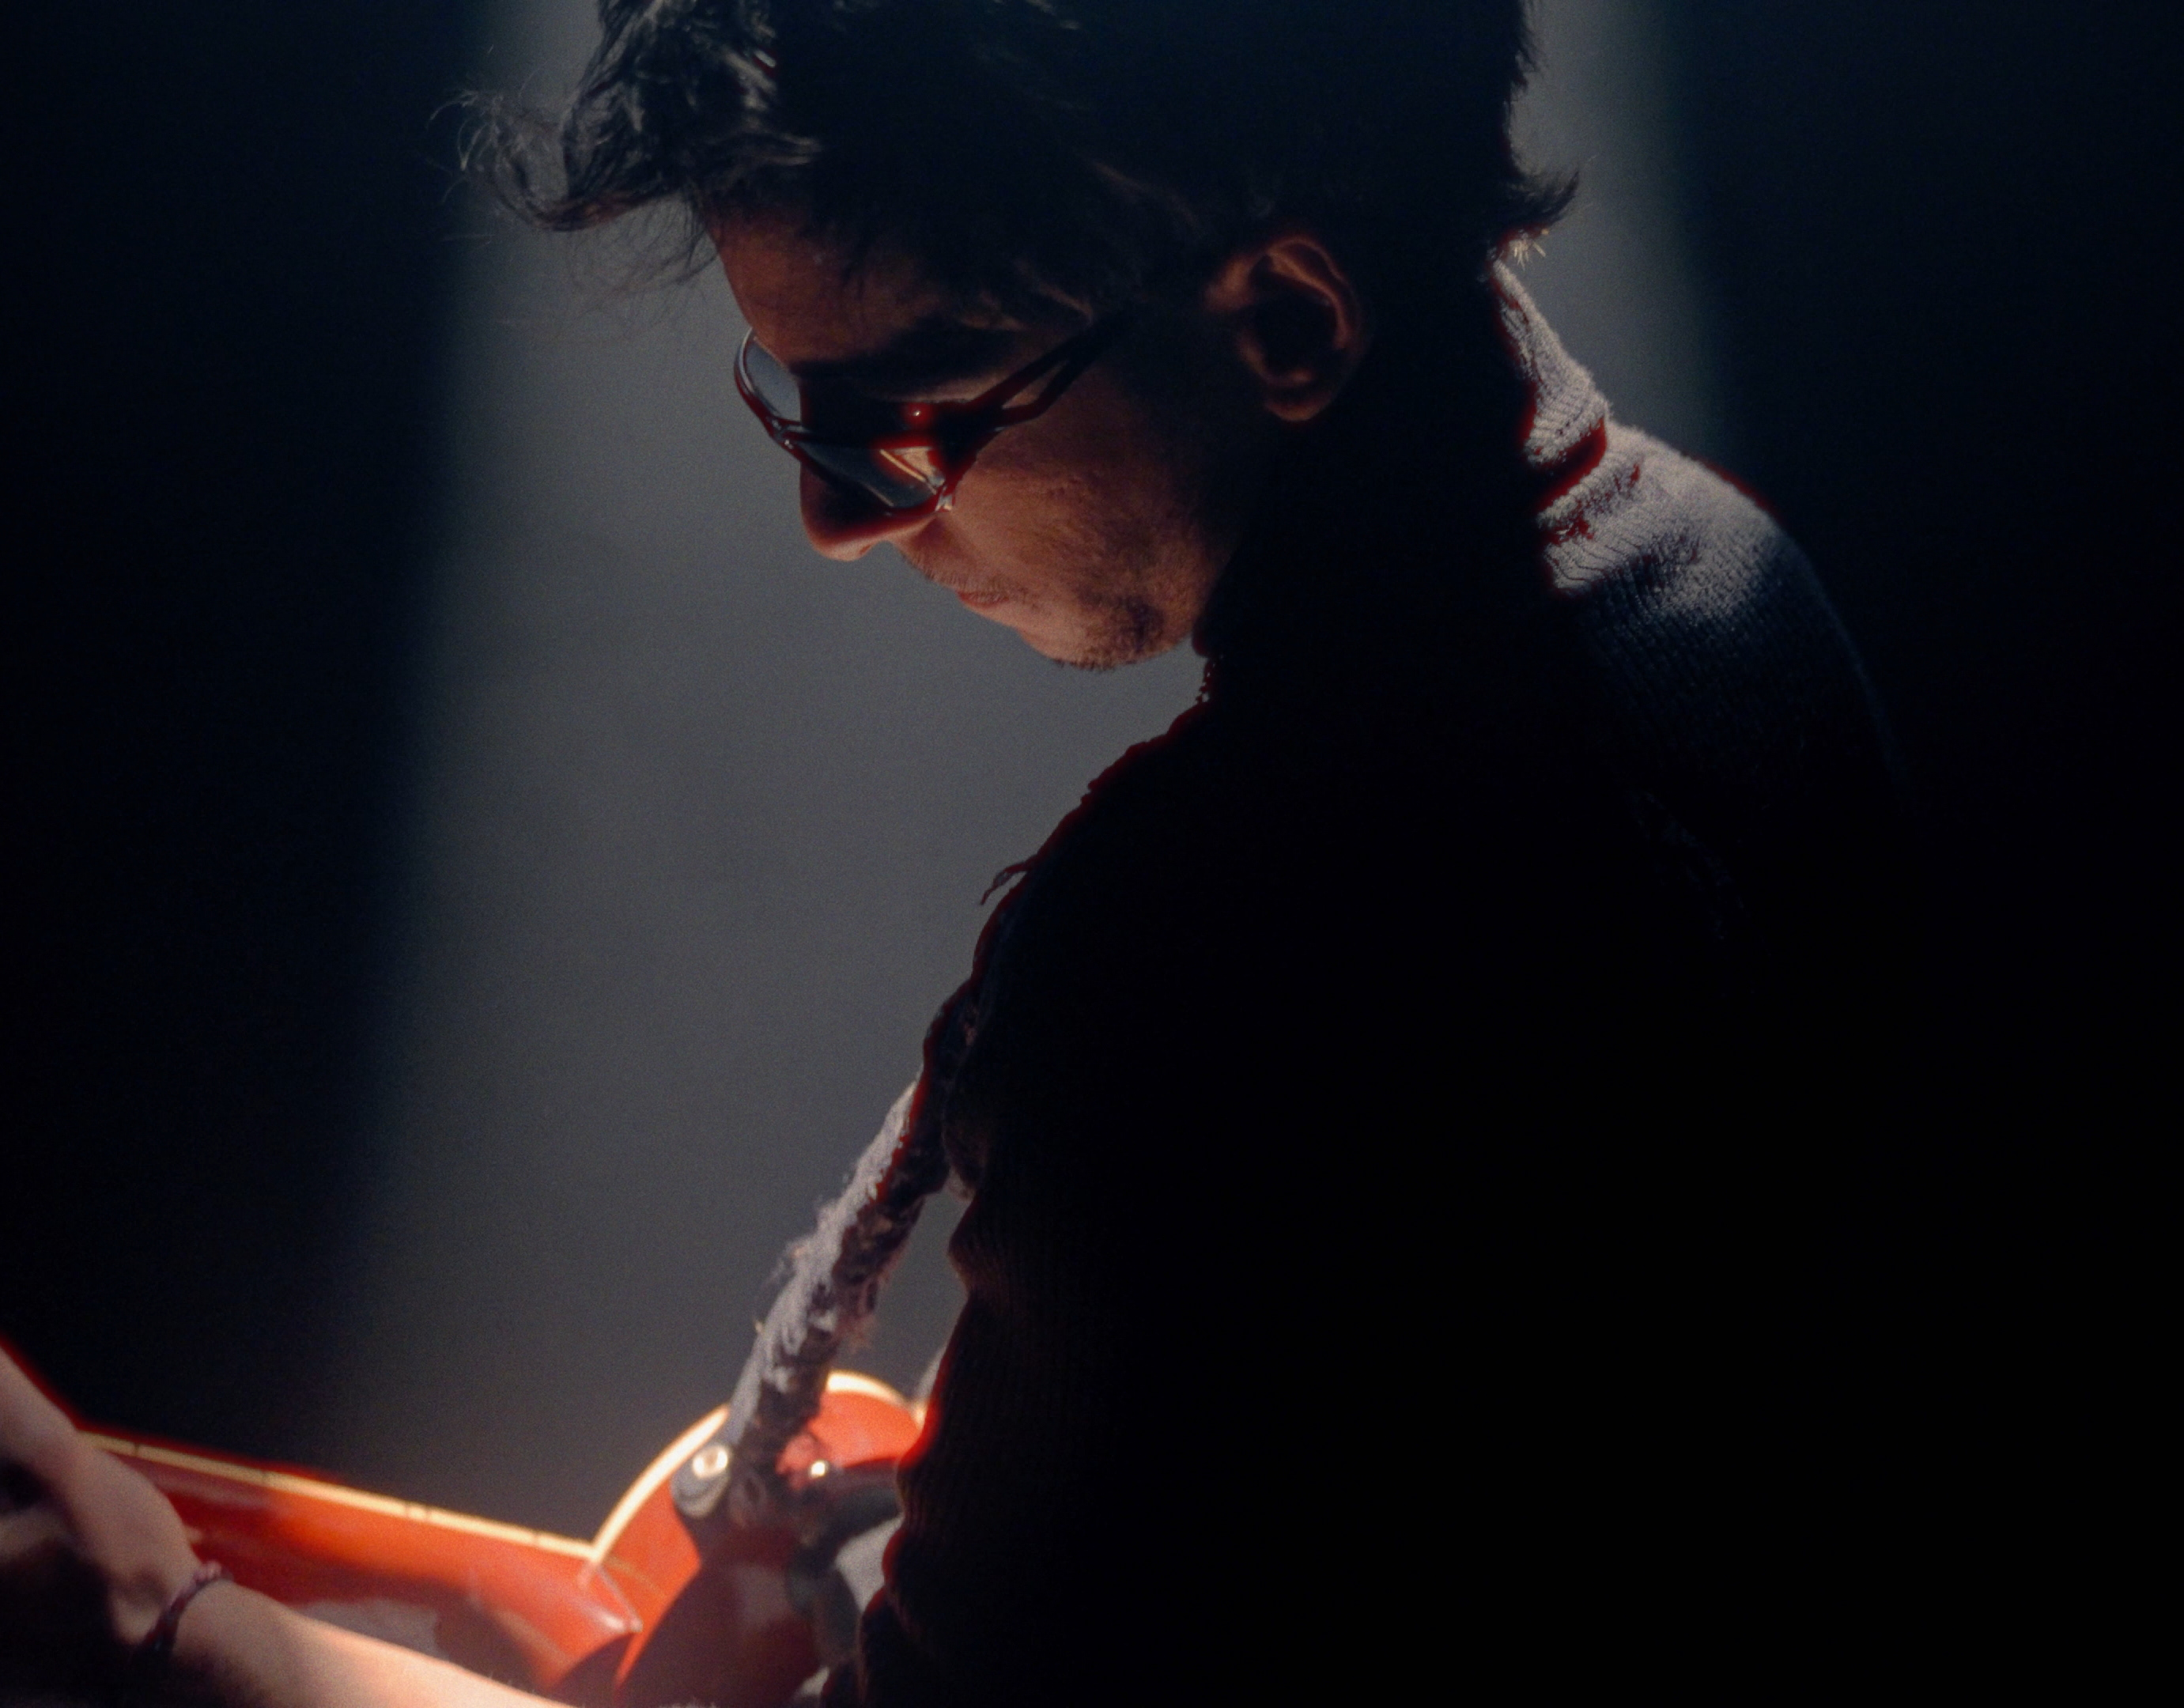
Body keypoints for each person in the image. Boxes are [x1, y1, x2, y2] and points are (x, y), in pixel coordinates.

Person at [2, 1, 1918, 1701]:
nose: (836, 523)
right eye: (795, 415)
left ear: (1287, 320)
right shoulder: (1729, 597)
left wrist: (147, 1617)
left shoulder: (1214, 984)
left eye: (901, 420)